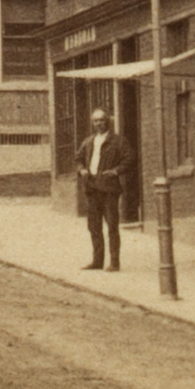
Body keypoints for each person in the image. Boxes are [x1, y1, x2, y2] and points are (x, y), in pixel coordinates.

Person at [76, 108, 134, 272]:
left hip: (109, 189)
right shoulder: (88, 141)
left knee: (112, 226)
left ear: (107, 121)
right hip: (92, 189)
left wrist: (116, 171)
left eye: (101, 120)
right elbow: (78, 159)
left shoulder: (118, 141)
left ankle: (114, 262)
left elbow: (130, 158)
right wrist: (82, 170)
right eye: (95, 121)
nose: (99, 123)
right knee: (94, 226)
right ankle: (97, 261)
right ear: (92, 123)